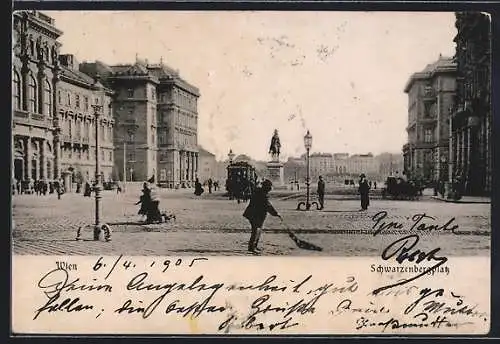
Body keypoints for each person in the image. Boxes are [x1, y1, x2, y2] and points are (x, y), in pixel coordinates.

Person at [243, 179, 282, 254]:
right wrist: (276, 213)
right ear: (267, 187)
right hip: (255, 215)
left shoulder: (259, 192)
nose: (270, 188)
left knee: (257, 230)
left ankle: (254, 246)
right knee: (256, 230)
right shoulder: (262, 194)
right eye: (270, 187)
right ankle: (252, 247)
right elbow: (268, 206)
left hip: (254, 214)